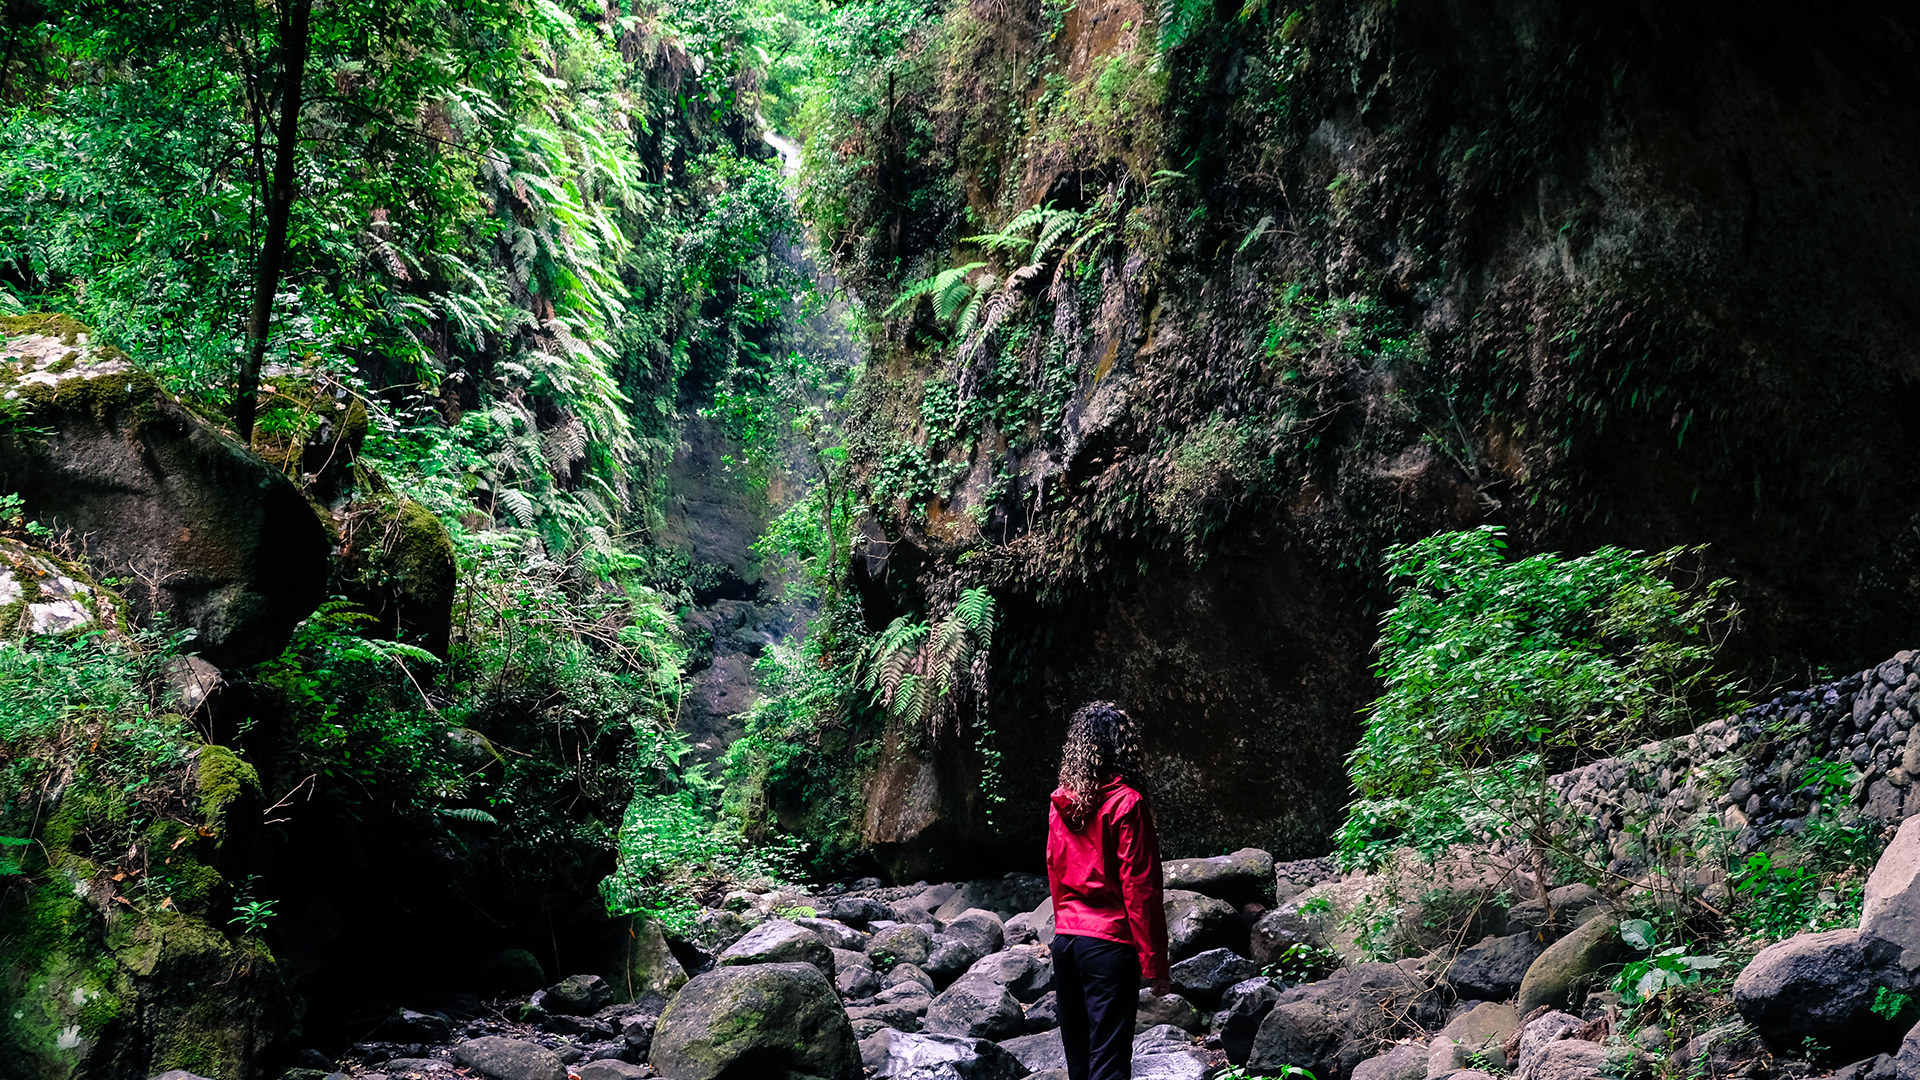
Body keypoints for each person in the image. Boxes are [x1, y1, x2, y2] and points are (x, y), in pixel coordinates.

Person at [1045, 700, 1170, 1080]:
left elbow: (1055, 869)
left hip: (1067, 942)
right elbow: (1140, 887)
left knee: (1080, 1064)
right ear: (1123, 747)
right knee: (1109, 1063)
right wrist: (1155, 963)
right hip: (1109, 946)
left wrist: (1065, 926)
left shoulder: (1061, 802)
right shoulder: (1126, 803)